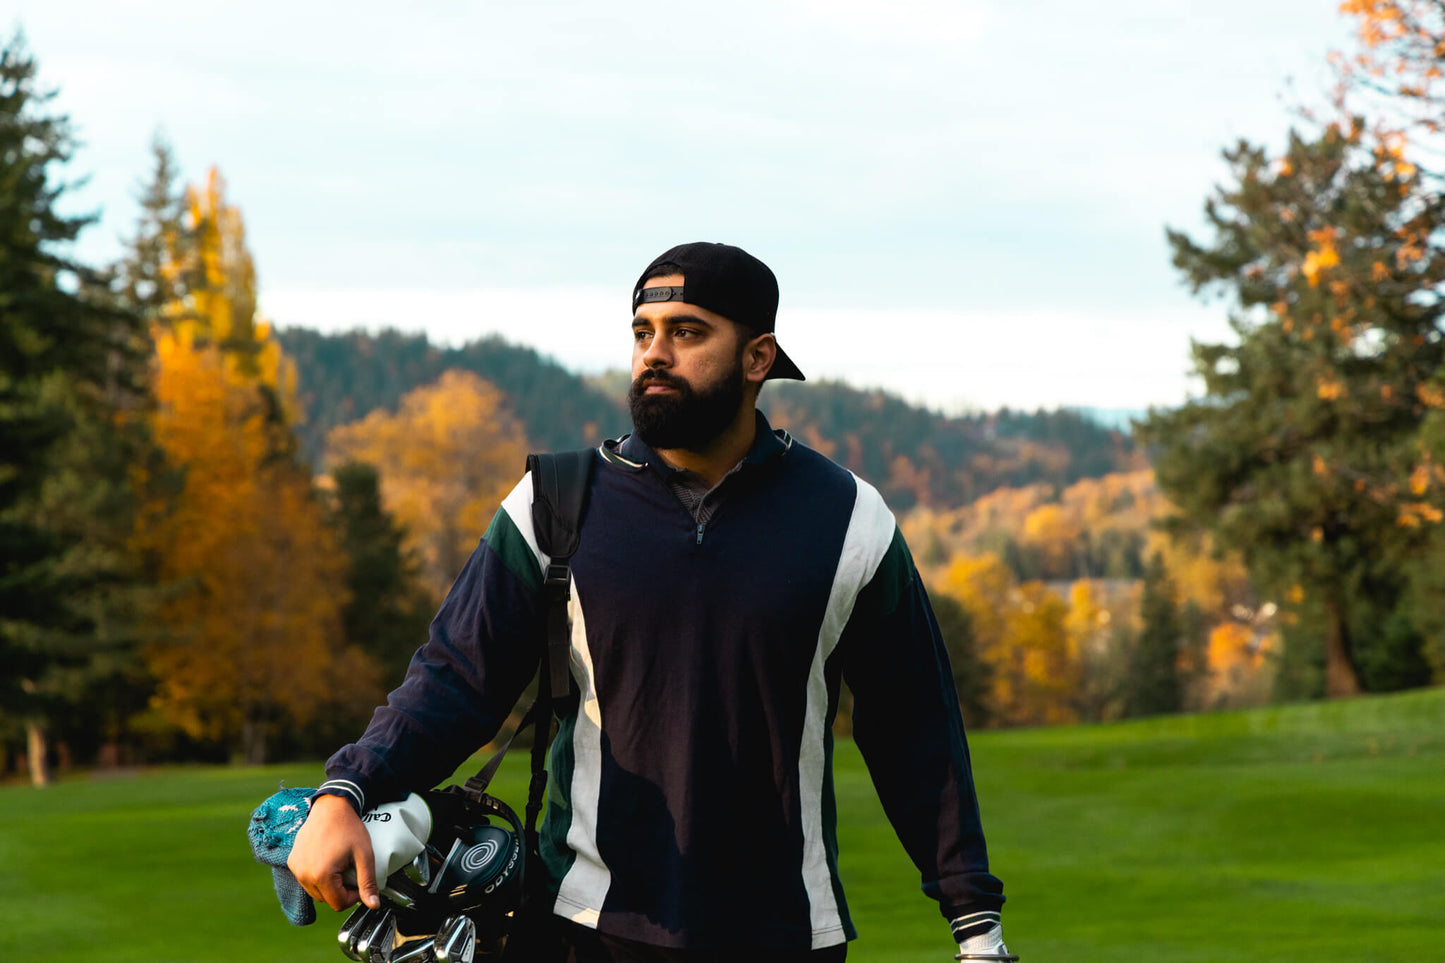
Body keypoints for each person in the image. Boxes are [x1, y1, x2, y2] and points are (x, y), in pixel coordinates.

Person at [289, 242, 1009, 962]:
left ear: (757, 358)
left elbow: (916, 730)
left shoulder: (850, 517)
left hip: (786, 933)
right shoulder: (552, 504)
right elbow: (454, 677)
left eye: (687, 332)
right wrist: (347, 788)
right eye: (643, 333)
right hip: (586, 925)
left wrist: (974, 922)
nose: (654, 353)